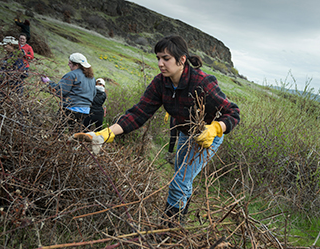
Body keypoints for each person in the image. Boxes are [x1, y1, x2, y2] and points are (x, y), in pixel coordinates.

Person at [72, 35, 240, 226]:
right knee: (182, 178)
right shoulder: (161, 83)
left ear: (181, 59)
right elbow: (139, 113)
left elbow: (233, 112)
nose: (160, 63)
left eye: (166, 59)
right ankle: (180, 222)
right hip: (186, 133)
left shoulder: (202, 83)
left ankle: (168, 230)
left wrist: (215, 128)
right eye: (158, 58)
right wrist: (105, 134)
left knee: (179, 181)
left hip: (208, 136)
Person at [41, 52, 96, 133]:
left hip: (71, 109)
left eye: (70, 63)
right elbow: (93, 94)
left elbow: (61, 91)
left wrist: (48, 82)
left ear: (76, 65)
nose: (68, 65)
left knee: (57, 131)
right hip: (85, 111)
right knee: (74, 134)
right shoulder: (92, 78)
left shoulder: (72, 75)